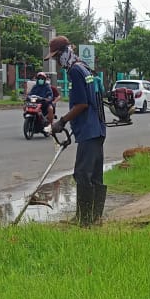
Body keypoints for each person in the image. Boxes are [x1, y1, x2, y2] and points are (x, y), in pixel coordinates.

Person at [46, 36, 107, 226]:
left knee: (82, 174)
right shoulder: (84, 67)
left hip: (89, 131)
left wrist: (62, 122)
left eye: (57, 58)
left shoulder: (74, 71)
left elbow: (81, 104)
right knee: (95, 174)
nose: (56, 62)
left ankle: (84, 219)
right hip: (96, 128)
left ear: (65, 53)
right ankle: (95, 217)